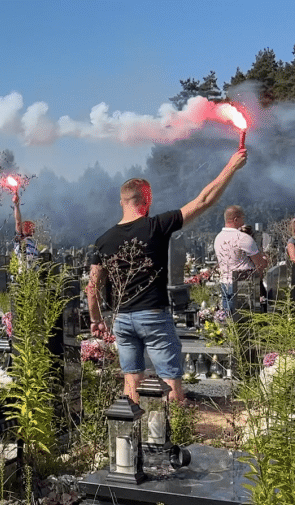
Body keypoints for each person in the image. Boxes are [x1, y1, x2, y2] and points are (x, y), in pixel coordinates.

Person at [87, 149, 247, 404]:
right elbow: (204, 200)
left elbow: (92, 287)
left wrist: (95, 320)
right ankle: (172, 433)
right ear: (147, 199)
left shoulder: (103, 241)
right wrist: (231, 167)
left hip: (122, 319)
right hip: (152, 315)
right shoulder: (156, 226)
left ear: (122, 202)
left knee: (131, 380)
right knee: (170, 378)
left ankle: (131, 434)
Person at [213, 205, 267, 316]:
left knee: (228, 318)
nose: (244, 221)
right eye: (243, 218)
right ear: (235, 219)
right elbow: (259, 263)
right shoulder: (242, 238)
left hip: (224, 282)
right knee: (243, 320)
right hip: (242, 285)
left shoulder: (218, 238)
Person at [12, 188, 38, 268]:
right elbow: (18, 220)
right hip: (23, 269)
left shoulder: (32, 242)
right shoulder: (20, 239)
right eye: (29, 227)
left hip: (33, 269)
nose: (32, 229)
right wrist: (16, 205)